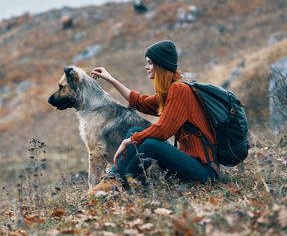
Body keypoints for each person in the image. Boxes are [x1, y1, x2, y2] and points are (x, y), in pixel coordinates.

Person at [89, 40, 219, 194]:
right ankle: (114, 181)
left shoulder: (180, 90)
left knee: (149, 143)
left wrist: (129, 141)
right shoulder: (170, 91)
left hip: (204, 172)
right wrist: (111, 79)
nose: (146, 67)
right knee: (136, 131)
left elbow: (163, 130)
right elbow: (140, 102)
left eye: (150, 63)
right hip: (190, 163)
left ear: (160, 65)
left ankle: (117, 184)